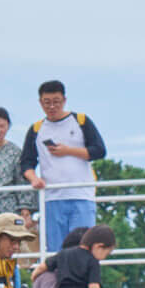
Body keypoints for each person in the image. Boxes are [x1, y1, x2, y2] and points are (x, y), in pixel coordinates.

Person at [22, 80, 106, 253]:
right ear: (40, 103)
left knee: (83, 247)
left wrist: (68, 150)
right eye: (47, 102)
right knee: (56, 250)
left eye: (56, 102)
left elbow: (99, 150)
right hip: (52, 197)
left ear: (64, 100)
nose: (52, 106)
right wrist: (34, 178)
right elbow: (26, 161)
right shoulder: (37, 129)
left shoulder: (81, 121)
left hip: (81, 194)